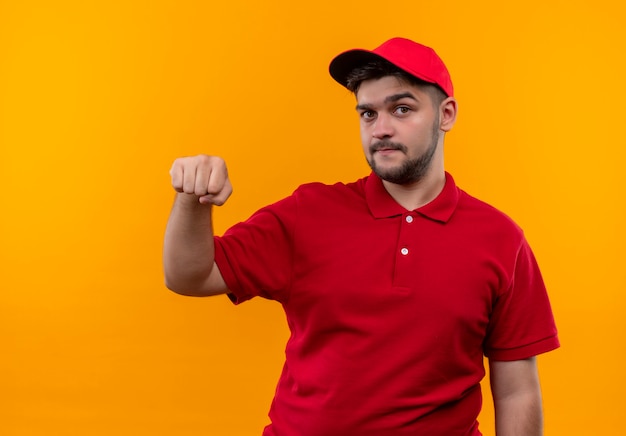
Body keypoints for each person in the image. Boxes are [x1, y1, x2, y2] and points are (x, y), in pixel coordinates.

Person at [163, 37, 559, 436]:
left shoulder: (500, 239)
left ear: (447, 114)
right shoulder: (309, 212)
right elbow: (189, 276)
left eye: (401, 109)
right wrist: (191, 202)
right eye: (368, 114)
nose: (381, 129)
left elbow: (517, 391)